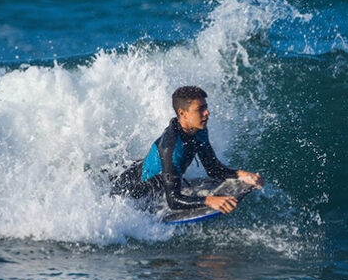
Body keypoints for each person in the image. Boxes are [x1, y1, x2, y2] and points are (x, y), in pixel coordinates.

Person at [112, 86, 263, 214]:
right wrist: (209, 200)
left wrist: (240, 174)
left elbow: (213, 169)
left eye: (206, 107)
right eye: (200, 109)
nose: (207, 113)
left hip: (156, 177)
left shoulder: (199, 129)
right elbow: (173, 200)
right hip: (132, 191)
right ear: (183, 113)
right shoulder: (172, 147)